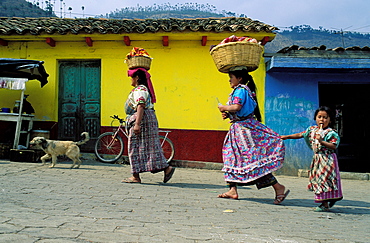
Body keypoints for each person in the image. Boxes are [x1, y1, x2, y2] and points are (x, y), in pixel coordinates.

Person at [217, 66, 289, 204]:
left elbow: (237, 107)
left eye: (231, 78)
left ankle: (278, 187)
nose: (229, 81)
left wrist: (224, 108)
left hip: (243, 131)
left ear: (240, 78)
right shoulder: (242, 91)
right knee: (233, 159)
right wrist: (228, 114)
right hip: (239, 130)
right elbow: (238, 109)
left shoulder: (241, 90)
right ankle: (232, 189)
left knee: (250, 161)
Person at [281, 106, 343, 212]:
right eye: (319, 117)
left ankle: (325, 204)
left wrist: (322, 141)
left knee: (324, 180)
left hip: (327, 160)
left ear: (330, 119)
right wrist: (286, 137)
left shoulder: (331, 133)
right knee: (317, 180)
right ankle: (330, 199)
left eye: (325, 117)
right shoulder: (312, 130)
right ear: (315, 118)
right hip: (317, 159)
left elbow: (333, 146)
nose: (322, 120)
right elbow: (301, 134)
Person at [122, 68, 175, 184]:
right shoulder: (143, 89)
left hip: (143, 120)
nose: (130, 80)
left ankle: (136, 176)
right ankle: (166, 168)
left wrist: (137, 124)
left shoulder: (140, 90)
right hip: (148, 119)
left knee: (134, 146)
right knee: (151, 147)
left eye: (131, 77)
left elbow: (140, 106)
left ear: (136, 78)